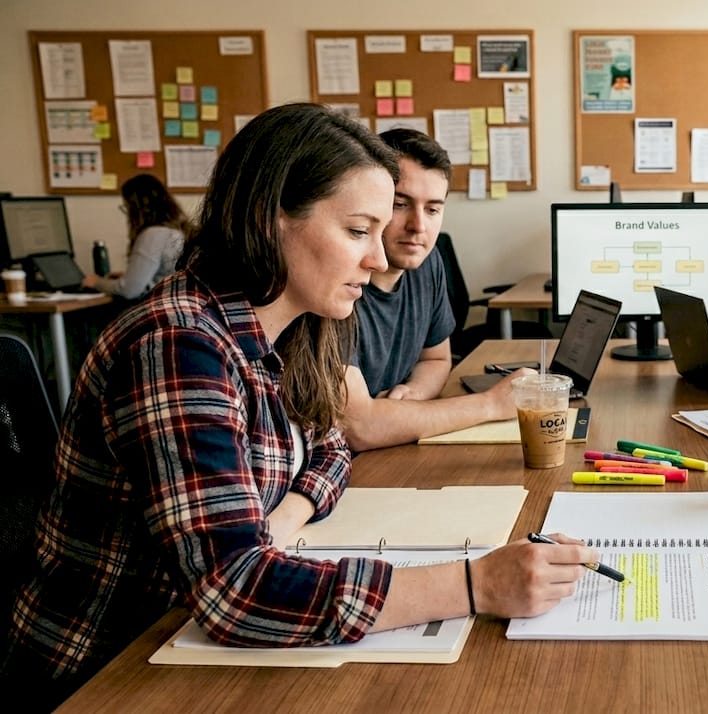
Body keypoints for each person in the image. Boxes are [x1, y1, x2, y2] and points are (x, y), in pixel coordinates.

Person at [2, 104, 594, 711]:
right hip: (107, 673)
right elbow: (236, 594)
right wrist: (477, 583)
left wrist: (284, 518)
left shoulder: (295, 324)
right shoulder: (179, 343)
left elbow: (333, 446)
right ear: (270, 219)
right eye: (358, 231)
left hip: (186, 645)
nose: (381, 259)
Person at [341, 128, 532, 452]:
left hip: (390, 451)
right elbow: (358, 426)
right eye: (401, 204)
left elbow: (436, 357)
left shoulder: (427, 263)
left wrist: (413, 395)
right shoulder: (336, 284)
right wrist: (490, 404)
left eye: (432, 209)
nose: (419, 226)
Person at [80, 173, 187, 300]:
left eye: (126, 207)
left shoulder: (153, 235)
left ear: (136, 208)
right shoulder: (177, 230)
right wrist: (130, 276)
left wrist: (96, 282)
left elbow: (129, 290)